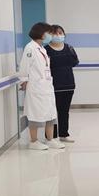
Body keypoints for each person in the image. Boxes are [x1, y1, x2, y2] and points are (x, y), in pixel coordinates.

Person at [18, 22, 65, 150]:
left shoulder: (42, 48)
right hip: (36, 87)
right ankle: (33, 141)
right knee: (35, 115)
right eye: (49, 33)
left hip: (46, 86)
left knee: (50, 114)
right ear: (41, 33)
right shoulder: (30, 48)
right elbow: (24, 67)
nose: (51, 35)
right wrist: (24, 81)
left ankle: (50, 140)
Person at [45, 24, 79, 142]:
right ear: (50, 35)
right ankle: (52, 136)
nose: (58, 35)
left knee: (64, 111)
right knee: (51, 112)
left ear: (64, 34)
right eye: (55, 33)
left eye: (60, 33)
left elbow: (74, 62)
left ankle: (64, 134)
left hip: (68, 84)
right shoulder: (46, 50)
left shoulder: (69, 48)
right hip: (52, 86)